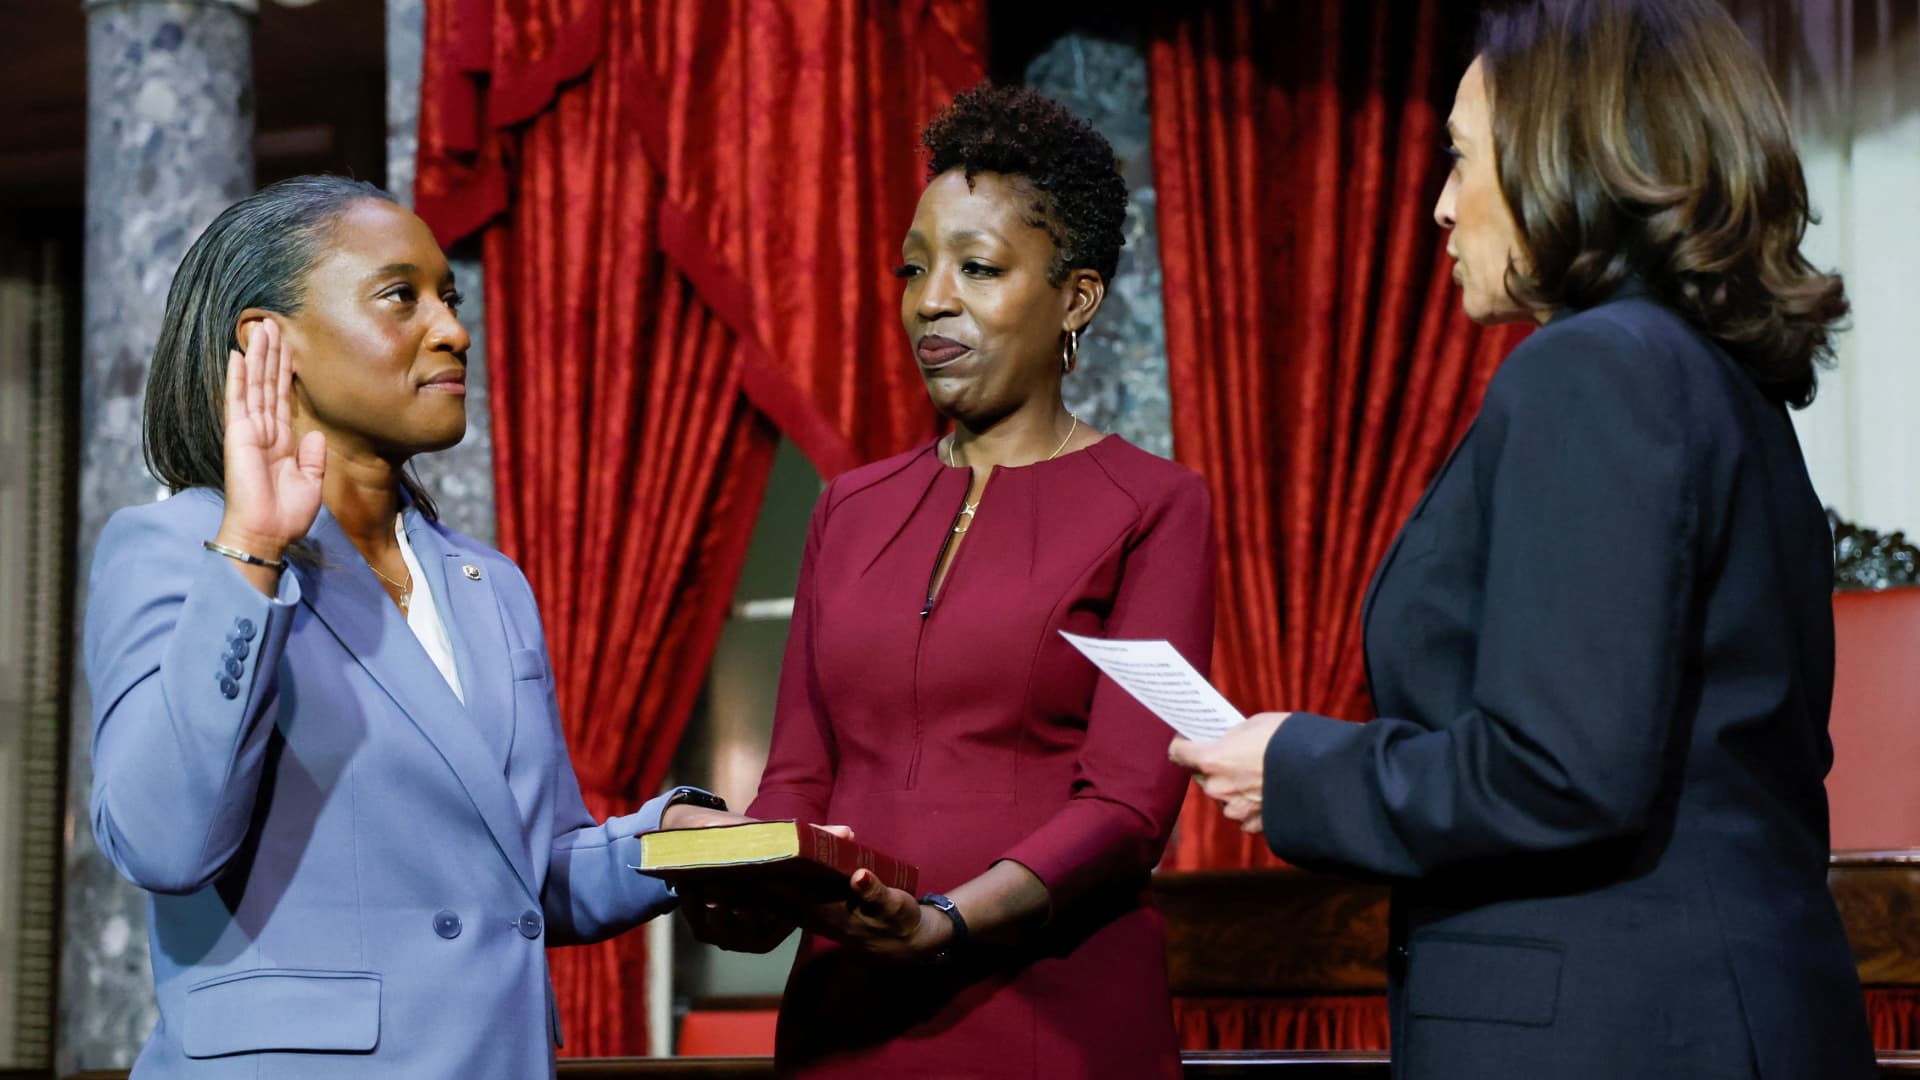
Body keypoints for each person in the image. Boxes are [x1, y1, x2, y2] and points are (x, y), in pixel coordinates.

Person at [1172, 1, 1880, 1077]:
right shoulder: (1717, 381)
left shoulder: (1593, 368)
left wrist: (1300, 766)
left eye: (1461, 160)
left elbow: (1560, 769)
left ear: (1566, 155)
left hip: (1615, 1030)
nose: (1441, 208)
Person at [84, 175, 736, 1079]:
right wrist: (253, 549)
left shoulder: (491, 585)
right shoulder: (170, 549)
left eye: (450, 297)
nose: (452, 329)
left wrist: (677, 847)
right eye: (402, 297)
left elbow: (522, 873)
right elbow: (163, 842)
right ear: (268, 342)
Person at [683, 85, 1216, 1078]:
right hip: (848, 1018)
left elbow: (1130, 805)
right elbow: (798, 779)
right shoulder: (847, 508)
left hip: (1053, 1019)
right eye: (915, 268)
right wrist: (755, 890)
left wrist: (950, 924)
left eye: (978, 267)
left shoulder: (1156, 506)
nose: (933, 299)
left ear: (1077, 297)